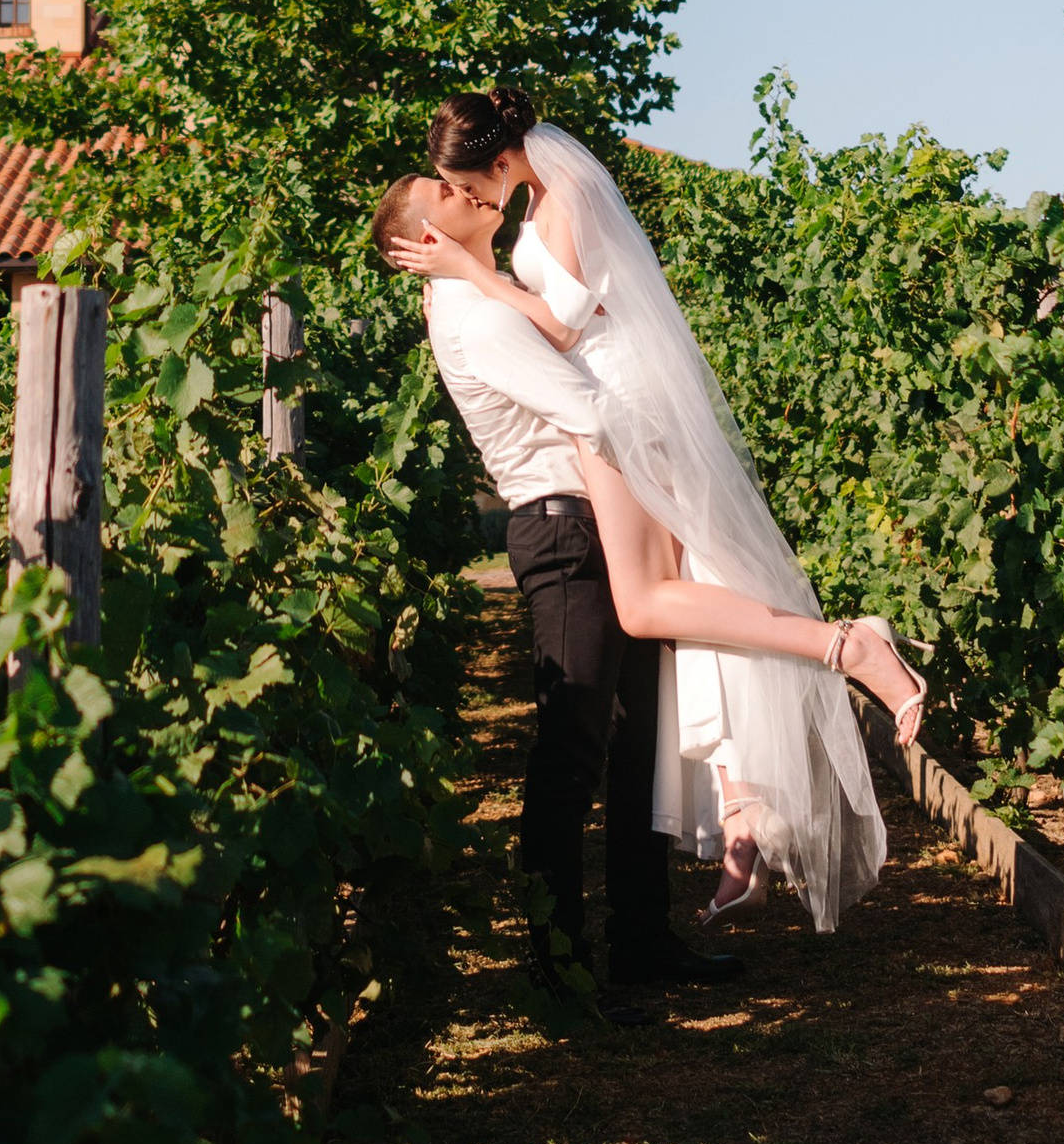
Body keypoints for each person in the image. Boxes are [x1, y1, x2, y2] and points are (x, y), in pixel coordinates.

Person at [402, 87, 922, 936]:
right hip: (610, 400)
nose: (467, 199)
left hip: (617, 401)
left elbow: (563, 330)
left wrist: (473, 275)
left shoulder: (564, 195)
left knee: (647, 605)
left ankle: (846, 645)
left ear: (498, 160)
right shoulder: (535, 199)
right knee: (691, 593)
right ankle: (744, 810)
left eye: (466, 184)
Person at [372, 168, 737, 1016]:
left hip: (602, 520)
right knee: (570, 752)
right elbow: (590, 409)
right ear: (427, 239)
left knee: (637, 738)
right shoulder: (474, 314)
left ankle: (641, 938)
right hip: (565, 531)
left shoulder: (488, 294)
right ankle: (561, 973)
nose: (467, 190)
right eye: (446, 193)